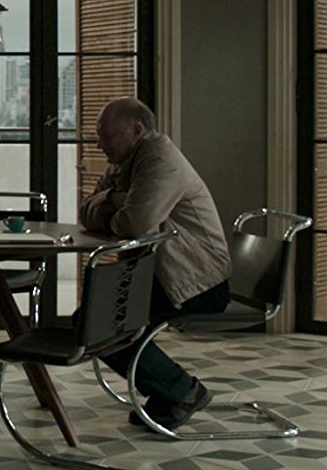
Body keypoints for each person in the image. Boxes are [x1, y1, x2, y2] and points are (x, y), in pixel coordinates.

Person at [77, 97, 229, 429]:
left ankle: (182, 390)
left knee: (99, 324)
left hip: (197, 282)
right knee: (92, 321)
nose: (99, 144)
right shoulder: (124, 161)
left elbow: (135, 223)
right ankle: (173, 393)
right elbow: (85, 210)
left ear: (137, 131)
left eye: (106, 136)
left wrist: (112, 205)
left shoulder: (160, 161)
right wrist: (116, 200)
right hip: (157, 276)